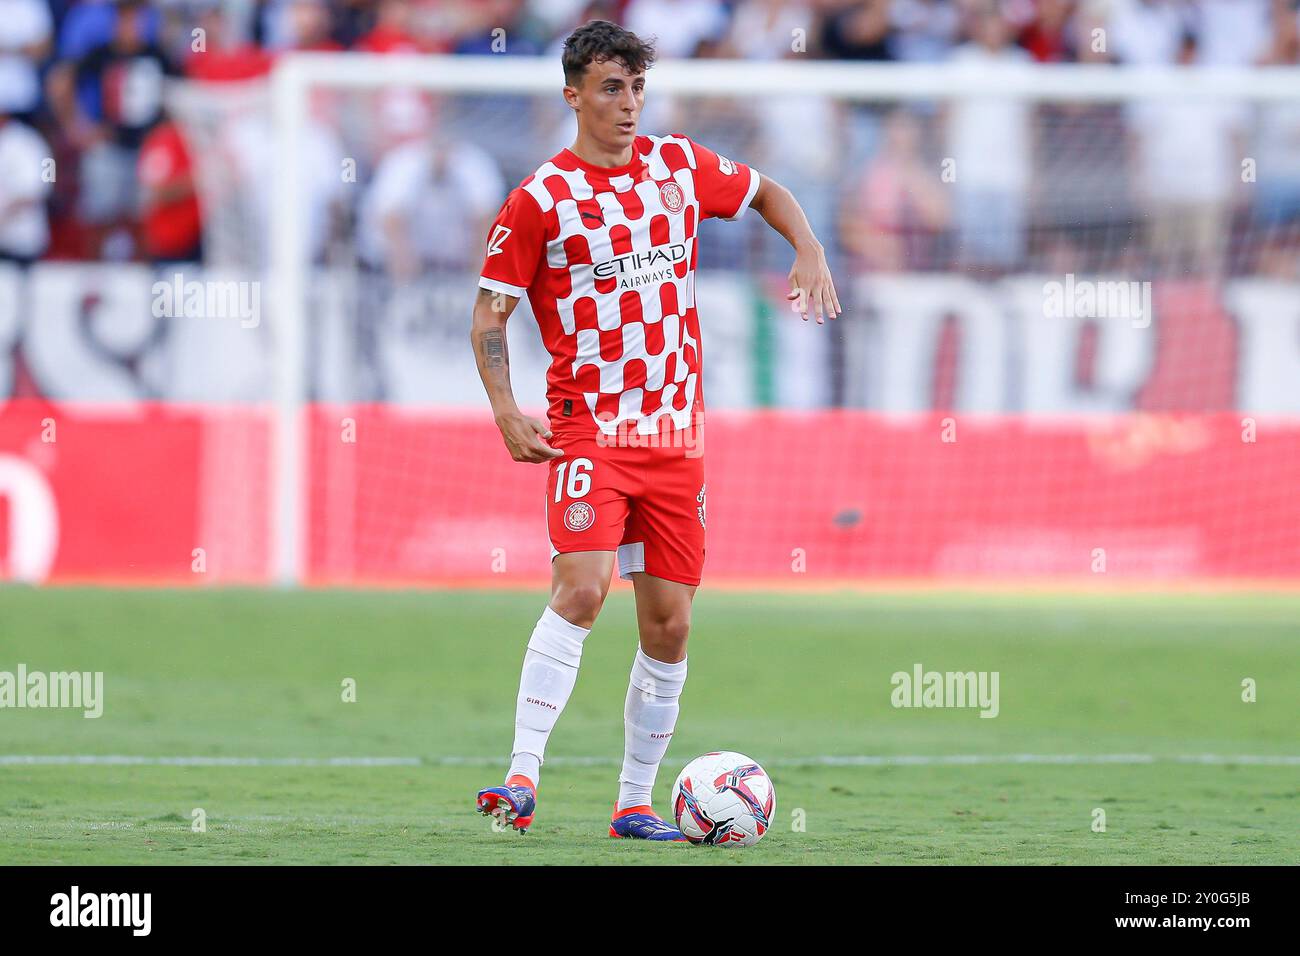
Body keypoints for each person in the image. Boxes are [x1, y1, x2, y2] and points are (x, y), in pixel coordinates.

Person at [469, 19, 839, 840]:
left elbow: (769, 192)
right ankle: (522, 776)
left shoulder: (677, 165)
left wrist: (807, 246)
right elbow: (489, 315)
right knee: (583, 588)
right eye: (610, 88)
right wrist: (504, 408)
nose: (628, 104)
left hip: (676, 440)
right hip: (590, 431)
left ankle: (633, 804)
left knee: (668, 622)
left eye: (637, 87)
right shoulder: (539, 200)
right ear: (573, 94)